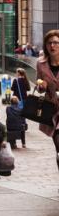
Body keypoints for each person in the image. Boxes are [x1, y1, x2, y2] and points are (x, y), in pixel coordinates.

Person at [35, 29, 59, 173]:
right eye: (49, 43)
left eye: (56, 42)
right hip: (52, 111)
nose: (52, 46)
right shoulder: (41, 63)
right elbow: (39, 88)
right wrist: (41, 86)